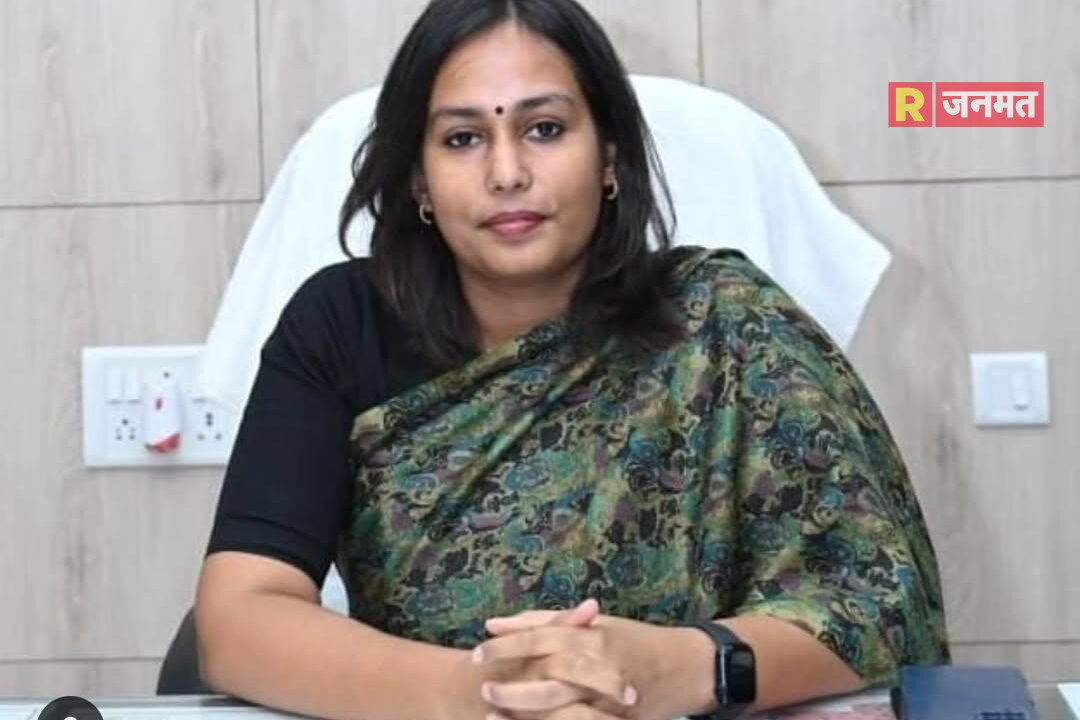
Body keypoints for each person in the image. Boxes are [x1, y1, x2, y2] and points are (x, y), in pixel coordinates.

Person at [195, 1, 949, 719]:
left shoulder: (728, 321)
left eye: (545, 129)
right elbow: (238, 618)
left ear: (609, 156)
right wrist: (480, 693)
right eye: (462, 139)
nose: (506, 172)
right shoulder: (342, 322)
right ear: (419, 178)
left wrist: (678, 668)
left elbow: (881, 605)